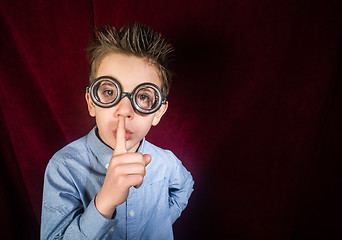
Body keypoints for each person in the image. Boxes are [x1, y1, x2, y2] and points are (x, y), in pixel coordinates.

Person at [41, 23, 194, 239]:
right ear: (92, 102)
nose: (124, 111)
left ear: (158, 112)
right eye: (109, 91)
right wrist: (105, 200)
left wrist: (160, 225)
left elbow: (185, 186)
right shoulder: (64, 167)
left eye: (143, 97)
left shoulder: (165, 162)